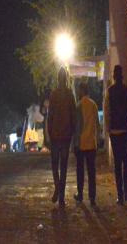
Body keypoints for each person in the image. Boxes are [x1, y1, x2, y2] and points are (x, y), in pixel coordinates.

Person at [104, 64, 127, 205]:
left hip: (115, 131)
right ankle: (126, 192)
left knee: (118, 163)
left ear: (114, 77)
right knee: (126, 161)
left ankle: (120, 194)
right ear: (122, 77)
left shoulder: (110, 91)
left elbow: (107, 112)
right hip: (125, 129)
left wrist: (108, 130)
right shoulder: (126, 90)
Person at [46, 66, 76, 207]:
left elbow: (50, 115)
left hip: (56, 135)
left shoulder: (53, 94)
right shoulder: (70, 94)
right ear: (66, 78)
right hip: (66, 136)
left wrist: (49, 132)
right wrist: (73, 132)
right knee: (63, 166)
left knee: (54, 164)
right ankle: (61, 195)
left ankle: (58, 188)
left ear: (58, 79)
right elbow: (74, 115)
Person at [73, 81, 99, 208]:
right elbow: (97, 125)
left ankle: (80, 194)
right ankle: (92, 197)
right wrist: (98, 140)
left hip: (81, 144)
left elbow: (77, 127)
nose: (78, 93)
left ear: (82, 91)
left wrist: (75, 143)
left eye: (79, 90)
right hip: (91, 144)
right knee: (91, 172)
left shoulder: (78, 106)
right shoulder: (94, 105)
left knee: (80, 171)